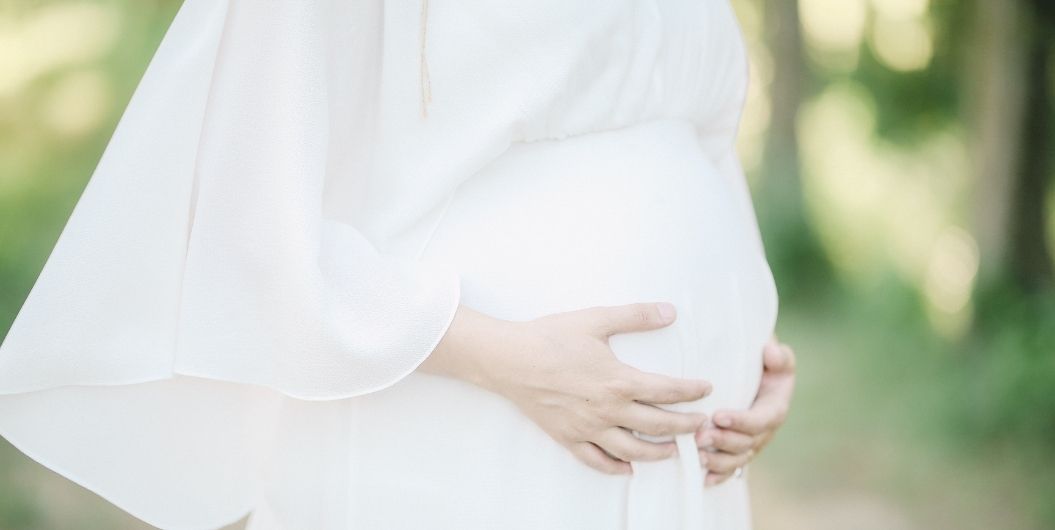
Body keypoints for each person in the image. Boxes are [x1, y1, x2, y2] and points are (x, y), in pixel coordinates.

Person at [0, 0, 797, 528]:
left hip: (688, 468)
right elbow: (241, 200)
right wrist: (502, 360)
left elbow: (700, 138)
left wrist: (747, 347)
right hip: (462, 427)